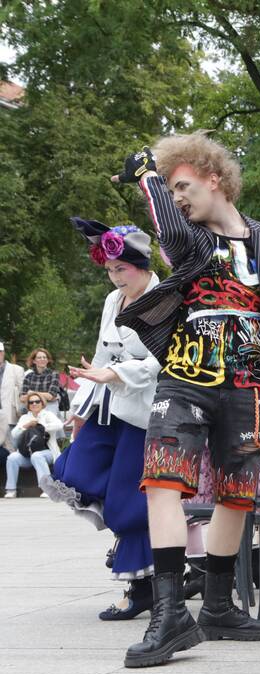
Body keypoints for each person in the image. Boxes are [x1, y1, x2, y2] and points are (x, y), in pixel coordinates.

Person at [111, 135, 260, 668]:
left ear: (213, 178)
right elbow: (168, 229)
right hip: (185, 377)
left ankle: (218, 606)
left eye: (183, 187)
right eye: (171, 191)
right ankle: (170, 615)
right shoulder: (191, 239)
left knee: (238, 493)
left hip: (247, 384)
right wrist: (150, 177)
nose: (179, 199)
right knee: (162, 481)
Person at [40, 219, 161, 620]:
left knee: (128, 499)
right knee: (73, 471)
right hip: (106, 407)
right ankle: (135, 550)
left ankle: (142, 586)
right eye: (109, 270)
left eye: (120, 269)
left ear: (141, 264)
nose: (114, 277)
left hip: (142, 412)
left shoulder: (164, 300)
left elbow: (162, 361)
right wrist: (82, 405)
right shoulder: (114, 300)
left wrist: (117, 374)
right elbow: (100, 356)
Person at [5, 392, 64, 497]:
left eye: (37, 401)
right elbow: (14, 434)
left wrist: (40, 425)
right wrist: (27, 425)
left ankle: (47, 489)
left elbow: (59, 425)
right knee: (12, 457)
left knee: (37, 456)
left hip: (48, 452)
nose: (34, 404)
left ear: (42, 403)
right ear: (28, 405)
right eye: (31, 402)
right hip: (28, 454)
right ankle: (11, 490)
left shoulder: (48, 414)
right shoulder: (24, 418)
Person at [0, 342, 25, 463]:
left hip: (9, 413)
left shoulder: (16, 370)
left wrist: (20, 410)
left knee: (10, 448)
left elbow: (22, 392)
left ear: (4, 353)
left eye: (0, 352)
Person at [21, 348, 63, 416]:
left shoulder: (54, 374)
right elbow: (22, 398)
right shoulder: (28, 376)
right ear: (34, 361)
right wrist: (45, 395)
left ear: (47, 360)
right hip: (33, 408)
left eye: (44, 357)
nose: (42, 359)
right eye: (39, 357)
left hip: (49, 408)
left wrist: (32, 393)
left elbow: (51, 396)